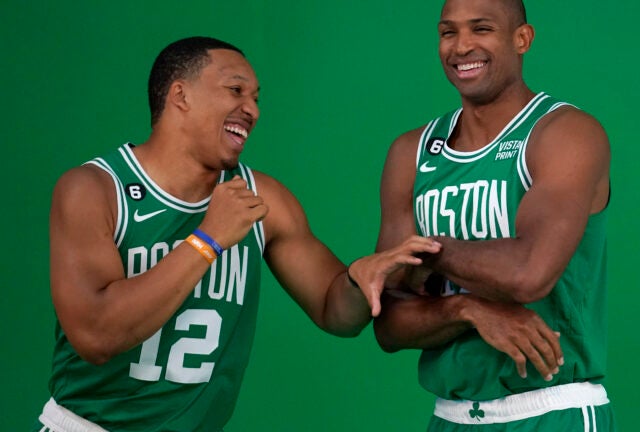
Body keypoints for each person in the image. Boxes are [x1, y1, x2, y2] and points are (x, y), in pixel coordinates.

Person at [33, 36, 441, 432]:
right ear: (180, 95)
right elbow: (95, 335)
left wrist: (360, 279)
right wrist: (208, 240)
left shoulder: (263, 199)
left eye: (256, 98)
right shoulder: (94, 189)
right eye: (235, 90)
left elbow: (334, 310)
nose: (252, 110)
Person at [373, 0, 615, 430]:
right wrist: (468, 311)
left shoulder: (564, 133)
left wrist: (425, 254)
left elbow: (528, 274)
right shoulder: (411, 152)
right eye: (448, 32)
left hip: (551, 411)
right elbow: (389, 323)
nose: (461, 46)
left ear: (522, 39)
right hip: (450, 416)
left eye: (481, 29)